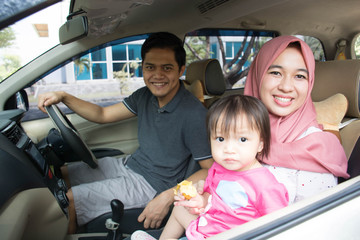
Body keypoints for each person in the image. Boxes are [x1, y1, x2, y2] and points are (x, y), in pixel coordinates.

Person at [37, 32, 213, 233]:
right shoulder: (145, 96)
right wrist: (63, 96)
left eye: (167, 68)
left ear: (181, 70)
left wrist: (167, 197)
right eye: (150, 67)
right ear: (143, 67)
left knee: (69, 200)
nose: (157, 75)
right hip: (130, 164)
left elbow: (209, 170)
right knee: (63, 174)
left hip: (153, 185)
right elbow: (102, 114)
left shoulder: (194, 115)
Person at [130, 95, 289, 240]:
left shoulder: (265, 185)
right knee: (179, 210)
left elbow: (279, 225)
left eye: (242, 139)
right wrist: (197, 201)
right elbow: (209, 198)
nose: (229, 149)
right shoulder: (218, 169)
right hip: (207, 226)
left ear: (260, 144)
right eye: (220, 138)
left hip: (232, 235)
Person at [244, 35, 349, 203]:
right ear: (258, 75)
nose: (286, 87)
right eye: (276, 73)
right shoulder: (235, 129)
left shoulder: (316, 148)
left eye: (300, 76)